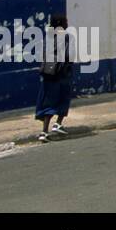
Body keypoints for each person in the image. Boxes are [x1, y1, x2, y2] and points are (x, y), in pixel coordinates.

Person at [35, 14, 73, 142]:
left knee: (48, 102)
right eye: (65, 21)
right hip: (61, 73)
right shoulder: (66, 36)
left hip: (48, 73)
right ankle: (57, 124)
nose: (67, 23)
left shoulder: (48, 36)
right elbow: (68, 55)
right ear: (61, 23)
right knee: (63, 98)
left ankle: (44, 131)